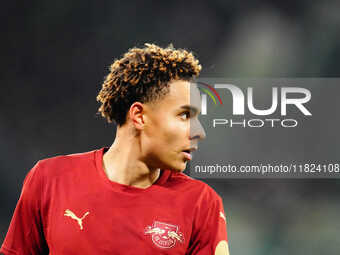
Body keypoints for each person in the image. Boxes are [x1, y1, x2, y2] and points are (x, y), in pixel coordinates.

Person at [0, 43, 229, 254]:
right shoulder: (49, 179)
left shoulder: (202, 203)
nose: (199, 132)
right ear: (139, 116)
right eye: (184, 115)